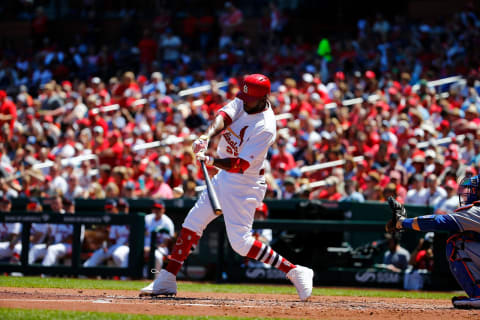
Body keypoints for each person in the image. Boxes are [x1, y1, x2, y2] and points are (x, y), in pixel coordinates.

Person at [140, 74, 313, 301]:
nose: (243, 99)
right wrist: (206, 137)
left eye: (249, 97)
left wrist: (211, 161)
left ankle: (294, 270)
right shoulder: (243, 100)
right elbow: (223, 116)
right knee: (192, 222)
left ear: (262, 98)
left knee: (241, 244)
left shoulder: (266, 127)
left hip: (245, 183)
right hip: (224, 176)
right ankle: (167, 278)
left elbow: (241, 165)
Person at [385, 174, 480, 309]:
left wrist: (402, 222)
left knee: (456, 243)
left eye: (475, 190)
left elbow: (438, 222)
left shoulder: (476, 211)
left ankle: (478, 294)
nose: (470, 193)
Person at [83, 199, 130, 268]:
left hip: (126, 247)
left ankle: (124, 276)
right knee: (97, 255)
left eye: (123, 208)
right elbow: (111, 239)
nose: (121, 210)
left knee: (118, 255)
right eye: (119, 208)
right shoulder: (114, 221)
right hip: (114, 246)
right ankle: (84, 273)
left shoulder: (132, 220)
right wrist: (106, 245)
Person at [143, 199, 175, 279]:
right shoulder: (147, 218)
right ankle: (131, 278)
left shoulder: (167, 222)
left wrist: (151, 249)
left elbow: (166, 242)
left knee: (156, 256)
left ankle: (155, 279)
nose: (156, 211)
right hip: (145, 247)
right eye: (155, 208)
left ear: (163, 210)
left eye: (159, 209)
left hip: (160, 248)